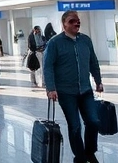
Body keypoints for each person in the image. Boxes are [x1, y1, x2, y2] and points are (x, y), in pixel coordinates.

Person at [43, 10, 104, 163]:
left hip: (85, 90)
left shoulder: (85, 40)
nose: (76, 23)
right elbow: (48, 66)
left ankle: (90, 151)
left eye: (77, 20)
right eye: (71, 21)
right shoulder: (55, 43)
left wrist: (98, 80)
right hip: (65, 92)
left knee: (94, 121)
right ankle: (80, 156)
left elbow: (93, 62)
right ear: (64, 24)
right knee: (75, 126)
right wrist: (51, 88)